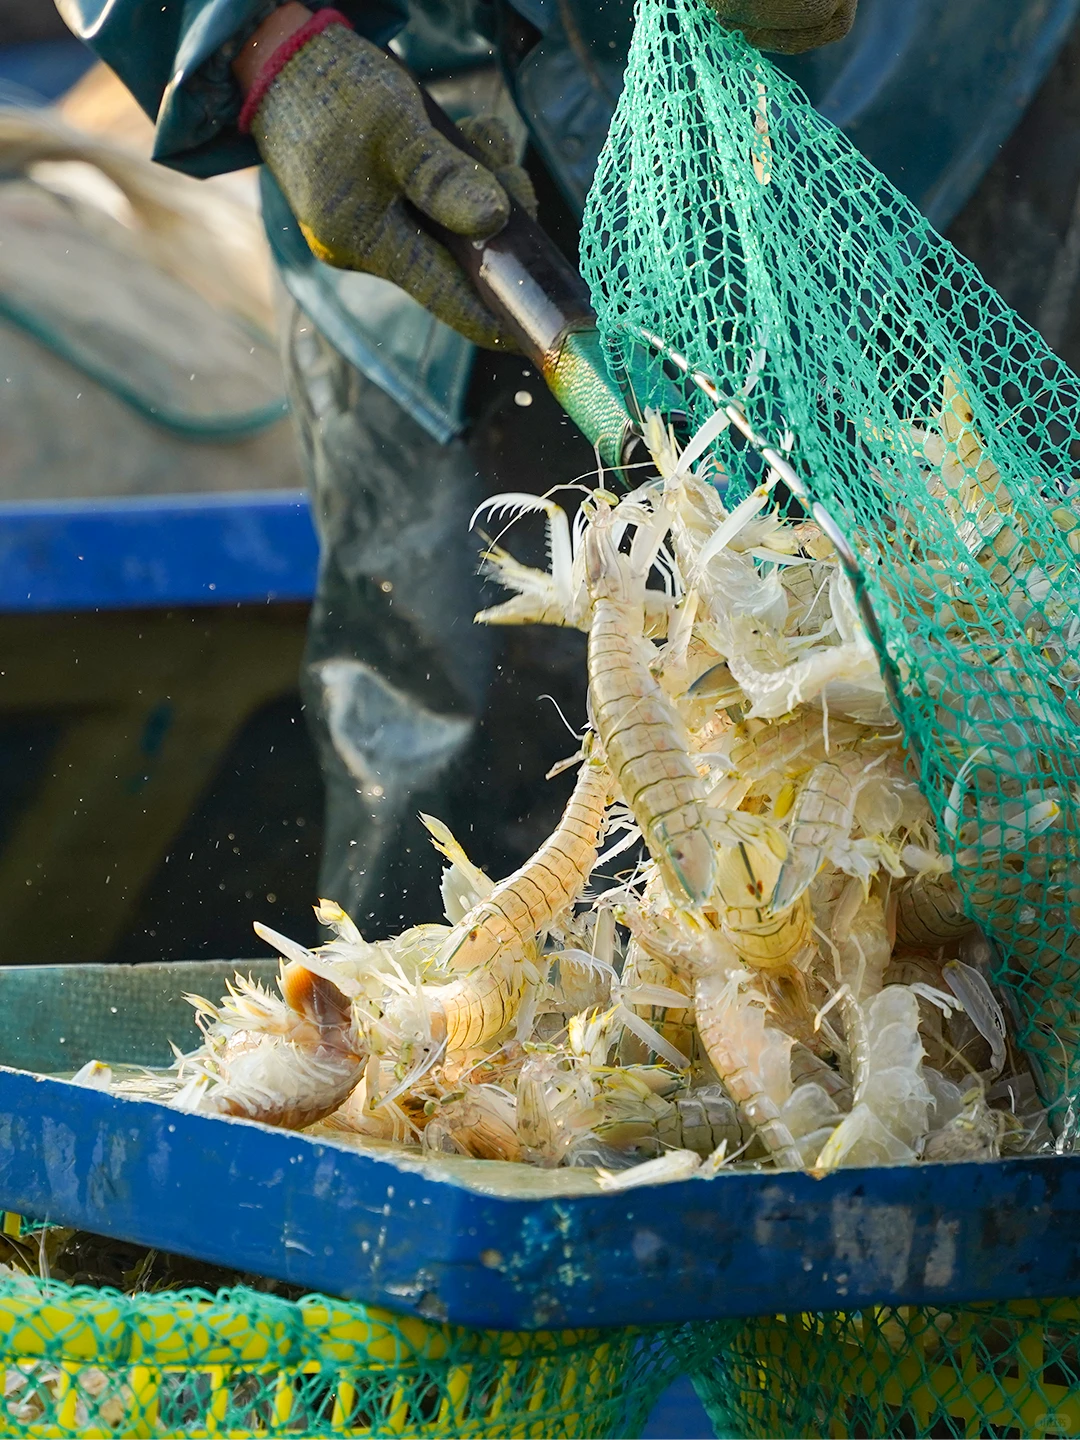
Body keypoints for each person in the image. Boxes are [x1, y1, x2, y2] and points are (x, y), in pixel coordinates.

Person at [54, 0, 1079, 935]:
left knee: (989, 702)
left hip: (913, 103)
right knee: (461, 782)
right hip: (430, 87)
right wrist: (258, 40)